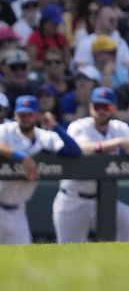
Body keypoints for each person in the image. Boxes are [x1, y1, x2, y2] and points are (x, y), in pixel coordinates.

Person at [53, 87, 129, 243]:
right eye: (97, 106)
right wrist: (118, 143)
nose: (101, 111)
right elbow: (81, 149)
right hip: (73, 199)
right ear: (90, 107)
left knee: (128, 217)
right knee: (69, 253)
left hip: (103, 199)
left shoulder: (119, 127)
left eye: (106, 107)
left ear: (114, 108)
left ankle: (122, 264)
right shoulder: (79, 126)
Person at [0, 96, 81, 244]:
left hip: (18, 210)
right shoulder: (6, 130)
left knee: (22, 258)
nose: (25, 118)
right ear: (14, 115)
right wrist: (22, 157)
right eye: (21, 114)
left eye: (30, 114)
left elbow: (74, 151)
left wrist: (54, 125)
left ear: (37, 115)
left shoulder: (43, 135)